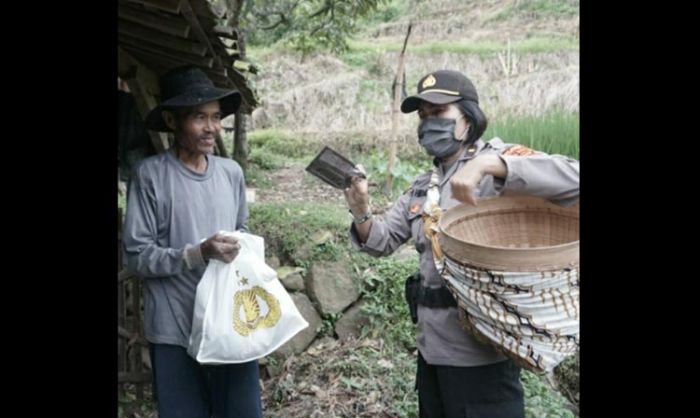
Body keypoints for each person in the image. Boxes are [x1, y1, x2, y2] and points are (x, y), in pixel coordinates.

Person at [343, 69, 579, 418]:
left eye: (438, 112)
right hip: (431, 354)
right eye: (422, 116)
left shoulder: (500, 164)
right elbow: (380, 241)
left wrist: (489, 164)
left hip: (482, 360)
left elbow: (574, 177)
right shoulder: (425, 184)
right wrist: (360, 209)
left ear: (468, 117)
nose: (427, 123)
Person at [122, 65, 262, 418]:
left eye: (215, 117)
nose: (211, 127)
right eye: (199, 117)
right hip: (175, 329)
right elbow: (137, 257)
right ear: (172, 122)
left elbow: (241, 231)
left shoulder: (231, 174)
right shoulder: (150, 175)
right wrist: (198, 252)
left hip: (230, 324)